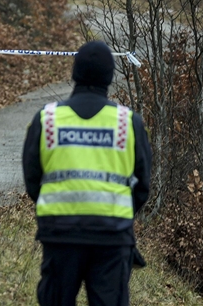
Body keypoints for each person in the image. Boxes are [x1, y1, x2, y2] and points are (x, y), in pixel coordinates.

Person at [22, 41, 152, 306]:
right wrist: (120, 212)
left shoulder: (47, 120)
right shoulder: (128, 122)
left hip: (60, 234)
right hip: (112, 237)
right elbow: (143, 185)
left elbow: (32, 180)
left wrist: (57, 208)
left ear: (75, 73)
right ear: (109, 76)